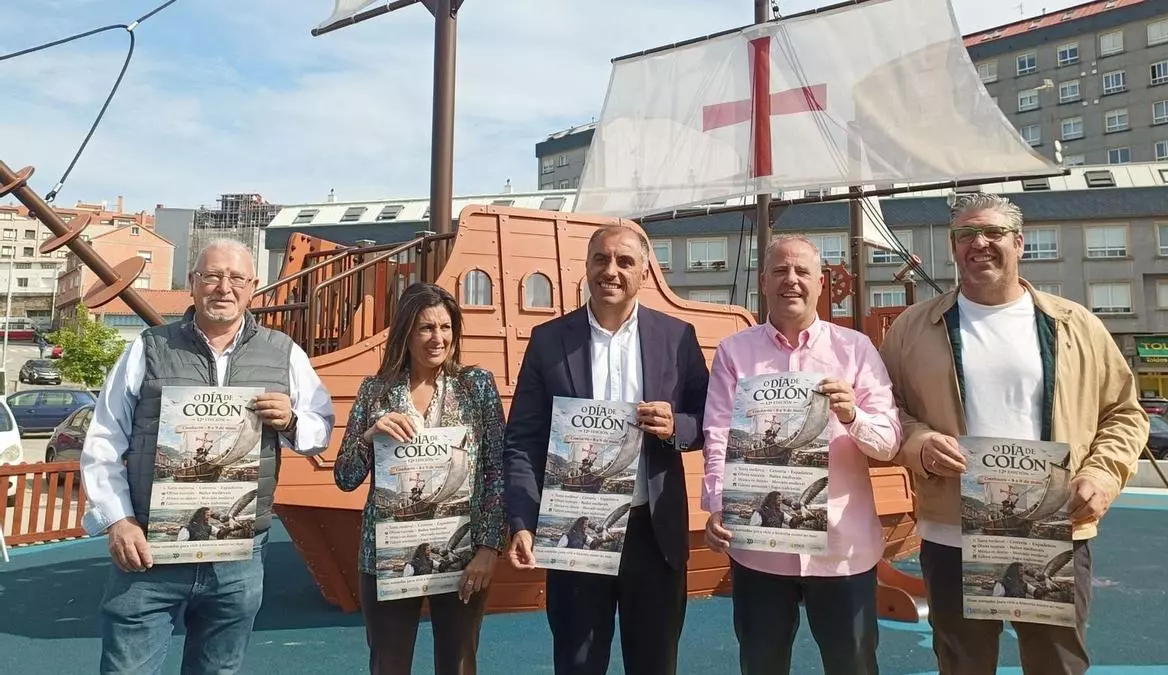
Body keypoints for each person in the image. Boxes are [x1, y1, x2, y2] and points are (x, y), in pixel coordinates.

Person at [878, 193, 1149, 675]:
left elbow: (1124, 413)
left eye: (993, 232)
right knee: (963, 664)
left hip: (1053, 530)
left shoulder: (1076, 325)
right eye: (965, 234)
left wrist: (1102, 476)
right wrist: (918, 444)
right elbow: (885, 408)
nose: (978, 243)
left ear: (1019, 243)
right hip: (953, 532)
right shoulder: (911, 328)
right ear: (953, 246)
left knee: (1056, 665)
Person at [79, 238, 335, 675]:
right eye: (212, 276)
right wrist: (118, 521)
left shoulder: (283, 352)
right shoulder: (148, 347)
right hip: (150, 549)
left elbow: (320, 430)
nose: (224, 288)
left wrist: (292, 420)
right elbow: (103, 438)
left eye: (236, 278)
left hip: (237, 555)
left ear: (253, 286)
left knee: (218, 670)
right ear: (192, 283)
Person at [503, 224, 709, 675]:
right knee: (577, 664)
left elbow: (708, 419)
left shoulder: (677, 337)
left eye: (625, 261)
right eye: (601, 259)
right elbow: (522, 439)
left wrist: (676, 425)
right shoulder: (548, 340)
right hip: (575, 528)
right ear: (587, 266)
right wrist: (522, 519)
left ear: (644, 274)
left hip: (652, 531)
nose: (610, 271)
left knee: (654, 664)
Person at [701, 235, 901, 675]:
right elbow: (718, 435)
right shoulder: (734, 352)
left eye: (802, 271)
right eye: (780, 271)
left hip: (843, 548)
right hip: (759, 549)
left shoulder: (856, 349)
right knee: (761, 665)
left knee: (852, 666)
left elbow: (888, 443)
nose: (791, 280)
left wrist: (852, 415)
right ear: (763, 282)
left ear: (820, 283)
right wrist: (717, 504)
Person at [333, 282, 507, 675]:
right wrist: (369, 436)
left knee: (459, 663)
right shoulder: (375, 391)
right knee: (389, 664)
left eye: (446, 327)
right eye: (426, 328)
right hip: (389, 555)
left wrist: (489, 548)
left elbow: (497, 469)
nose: (437, 338)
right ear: (405, 332)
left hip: (461, 552)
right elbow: (345, 477)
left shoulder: (476, 386)